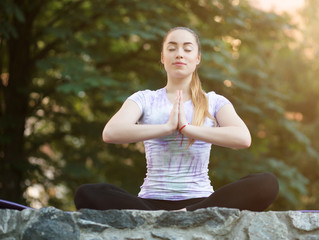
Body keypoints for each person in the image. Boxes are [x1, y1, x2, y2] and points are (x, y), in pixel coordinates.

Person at [74, 27, 279, 212]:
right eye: (172, 48)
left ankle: (186, 215)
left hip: (201, 203)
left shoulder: (214, 101)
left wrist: (187, 129)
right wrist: (166, 128)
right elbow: (111, 132)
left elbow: (243, 138)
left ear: (197, 58)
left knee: (266, 183)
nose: (179, 53)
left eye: (187, 49)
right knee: (86, 193)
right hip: (150, 204)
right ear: (162, 57)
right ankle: (161, 217)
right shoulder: (145, 98)